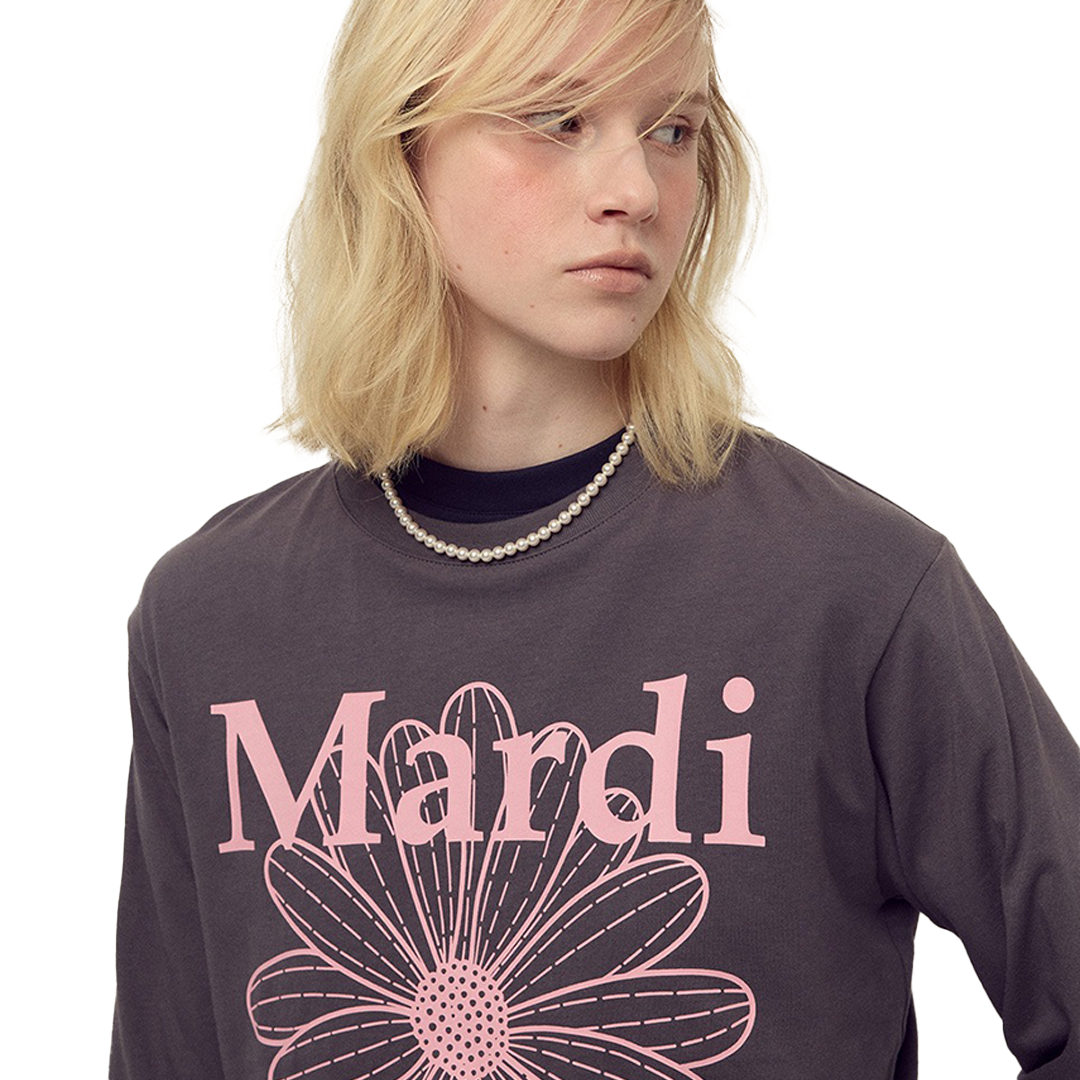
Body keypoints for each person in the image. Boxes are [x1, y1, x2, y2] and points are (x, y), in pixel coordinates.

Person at [109, 0, 1080, 1077]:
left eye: (672, 130)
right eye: (556, 118)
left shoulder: (856, 592)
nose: (637, 191)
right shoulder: (210, 618)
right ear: (400, 148)